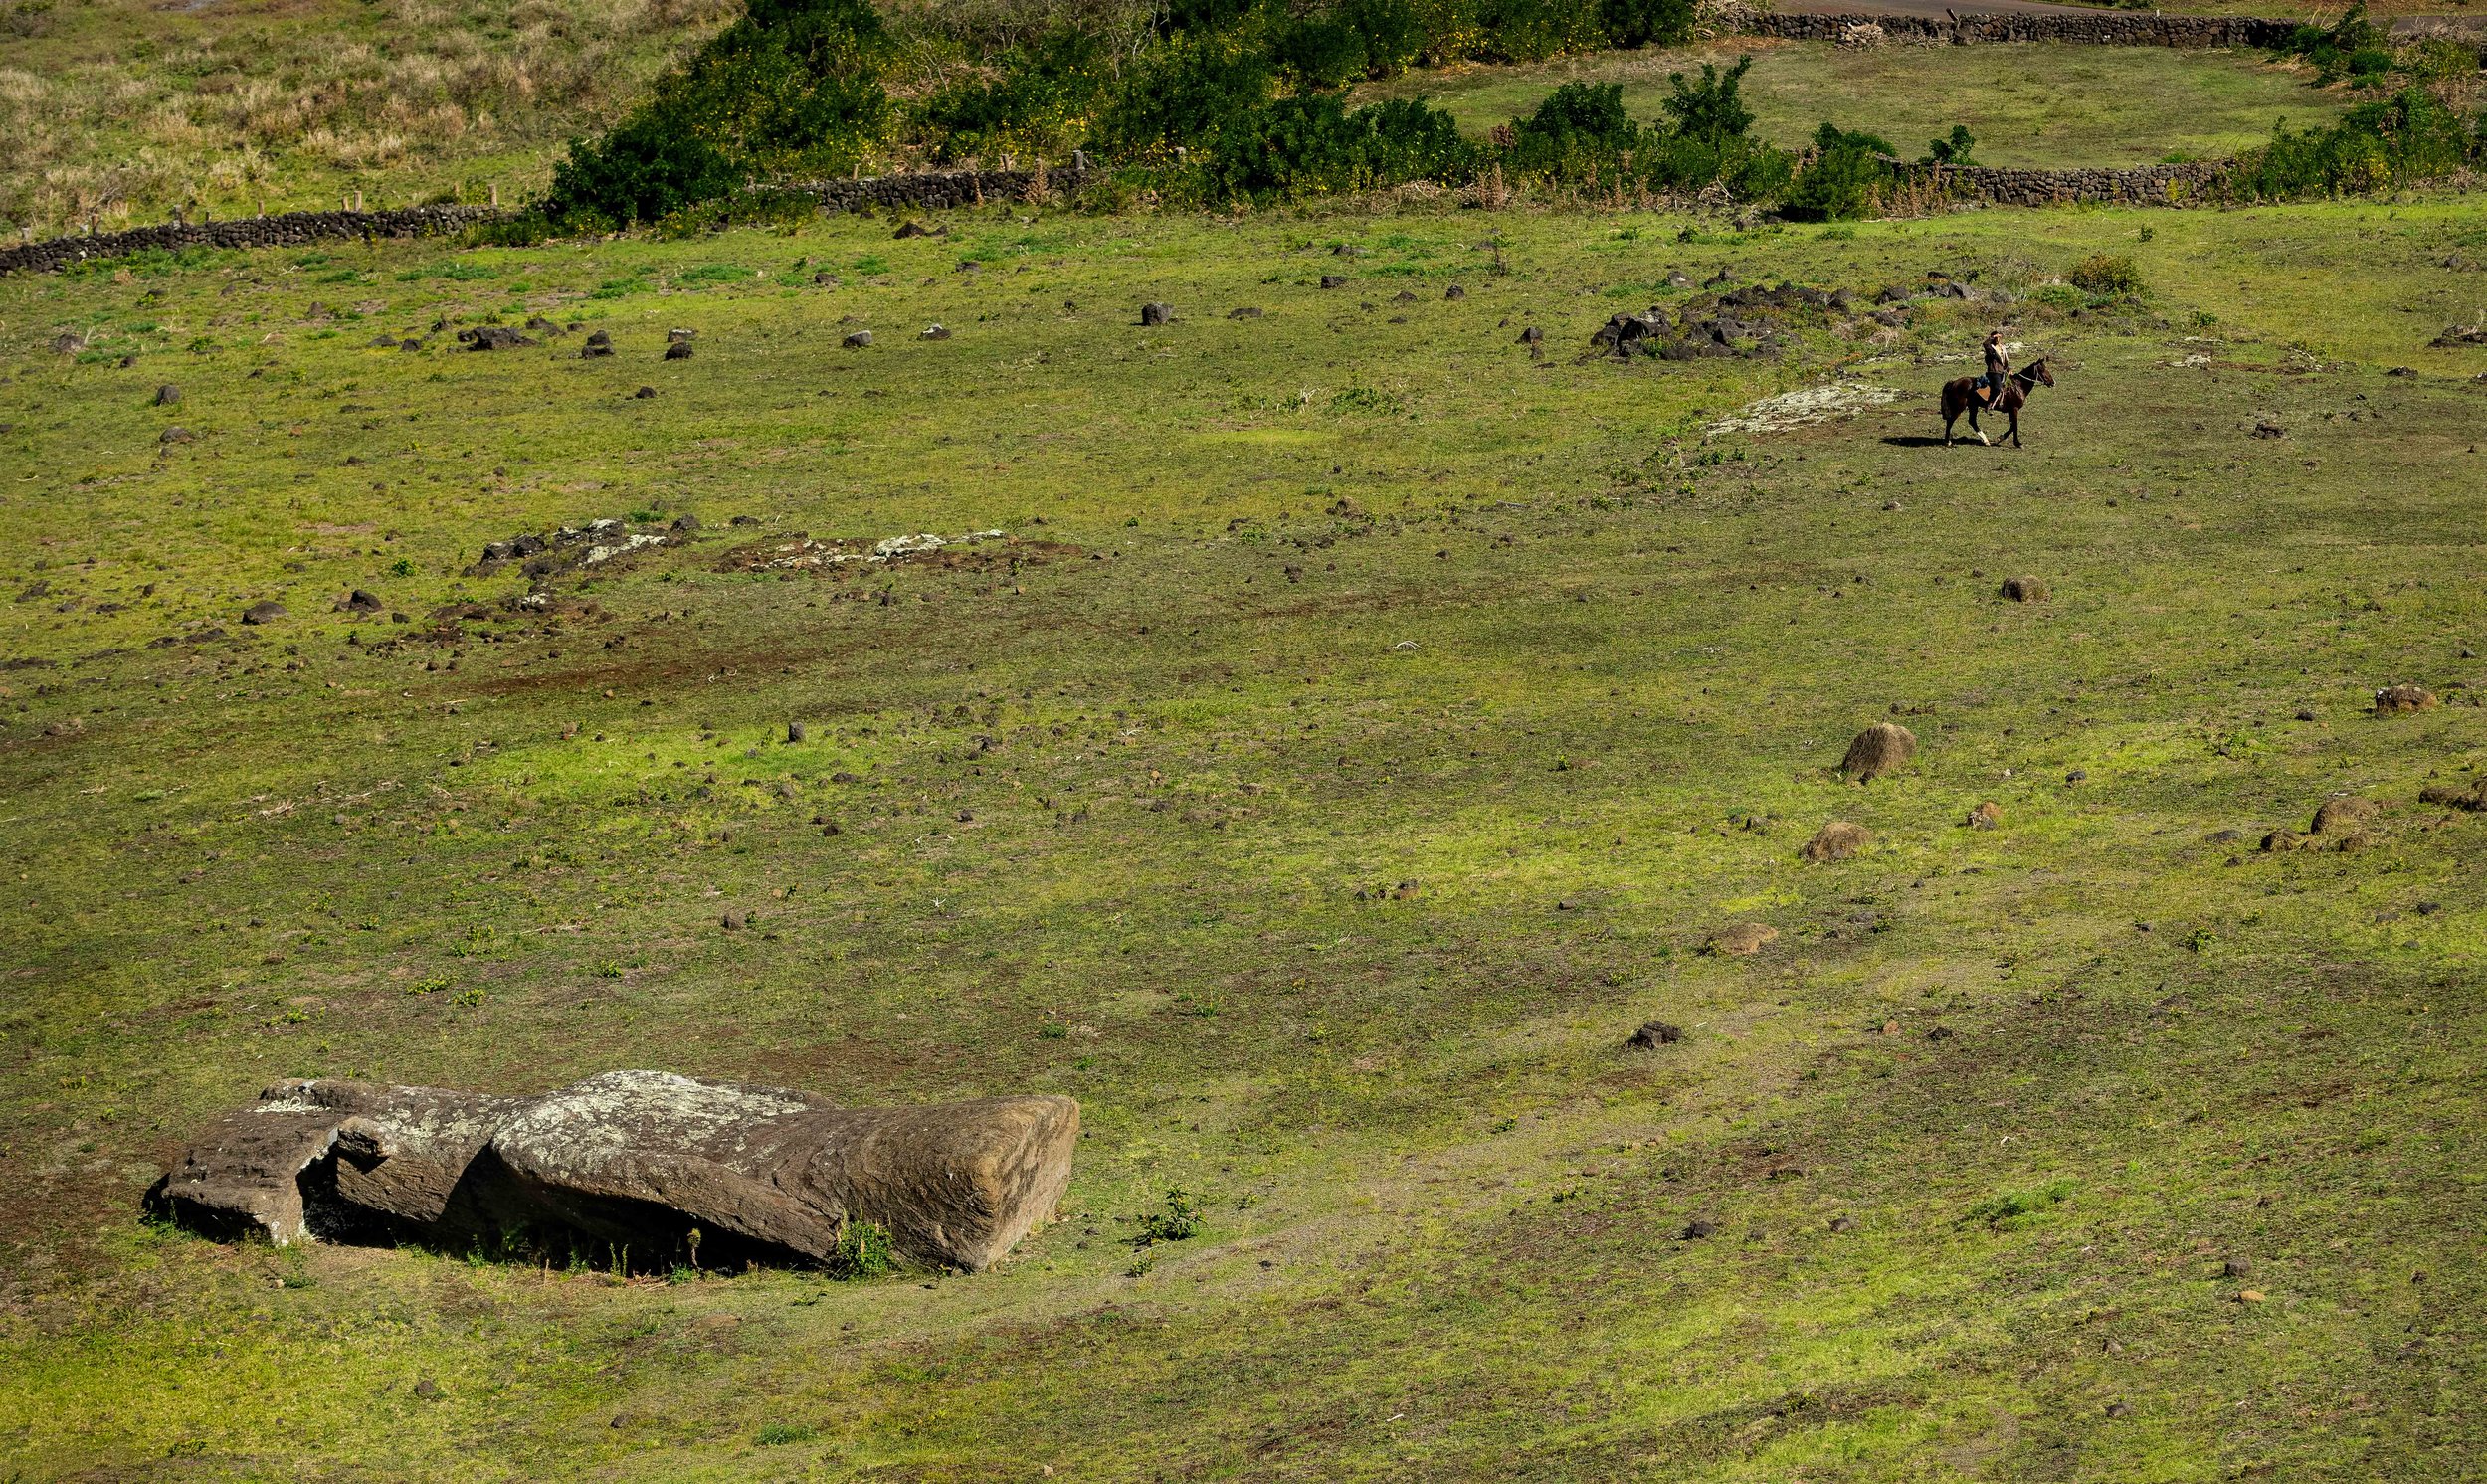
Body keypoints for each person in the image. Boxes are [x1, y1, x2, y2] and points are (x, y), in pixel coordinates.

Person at [1980, 331, 2010, 406]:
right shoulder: (1990, 347)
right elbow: (1985, 344)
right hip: (1994, 371)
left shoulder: (2002, 347)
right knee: (1997, 388)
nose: (1997, 339)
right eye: (1996, 337)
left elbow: (2005, 360)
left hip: (2002, 371)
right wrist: (1992, 337)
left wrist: (2009, 369)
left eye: (1999, 337)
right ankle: (1989, 403)